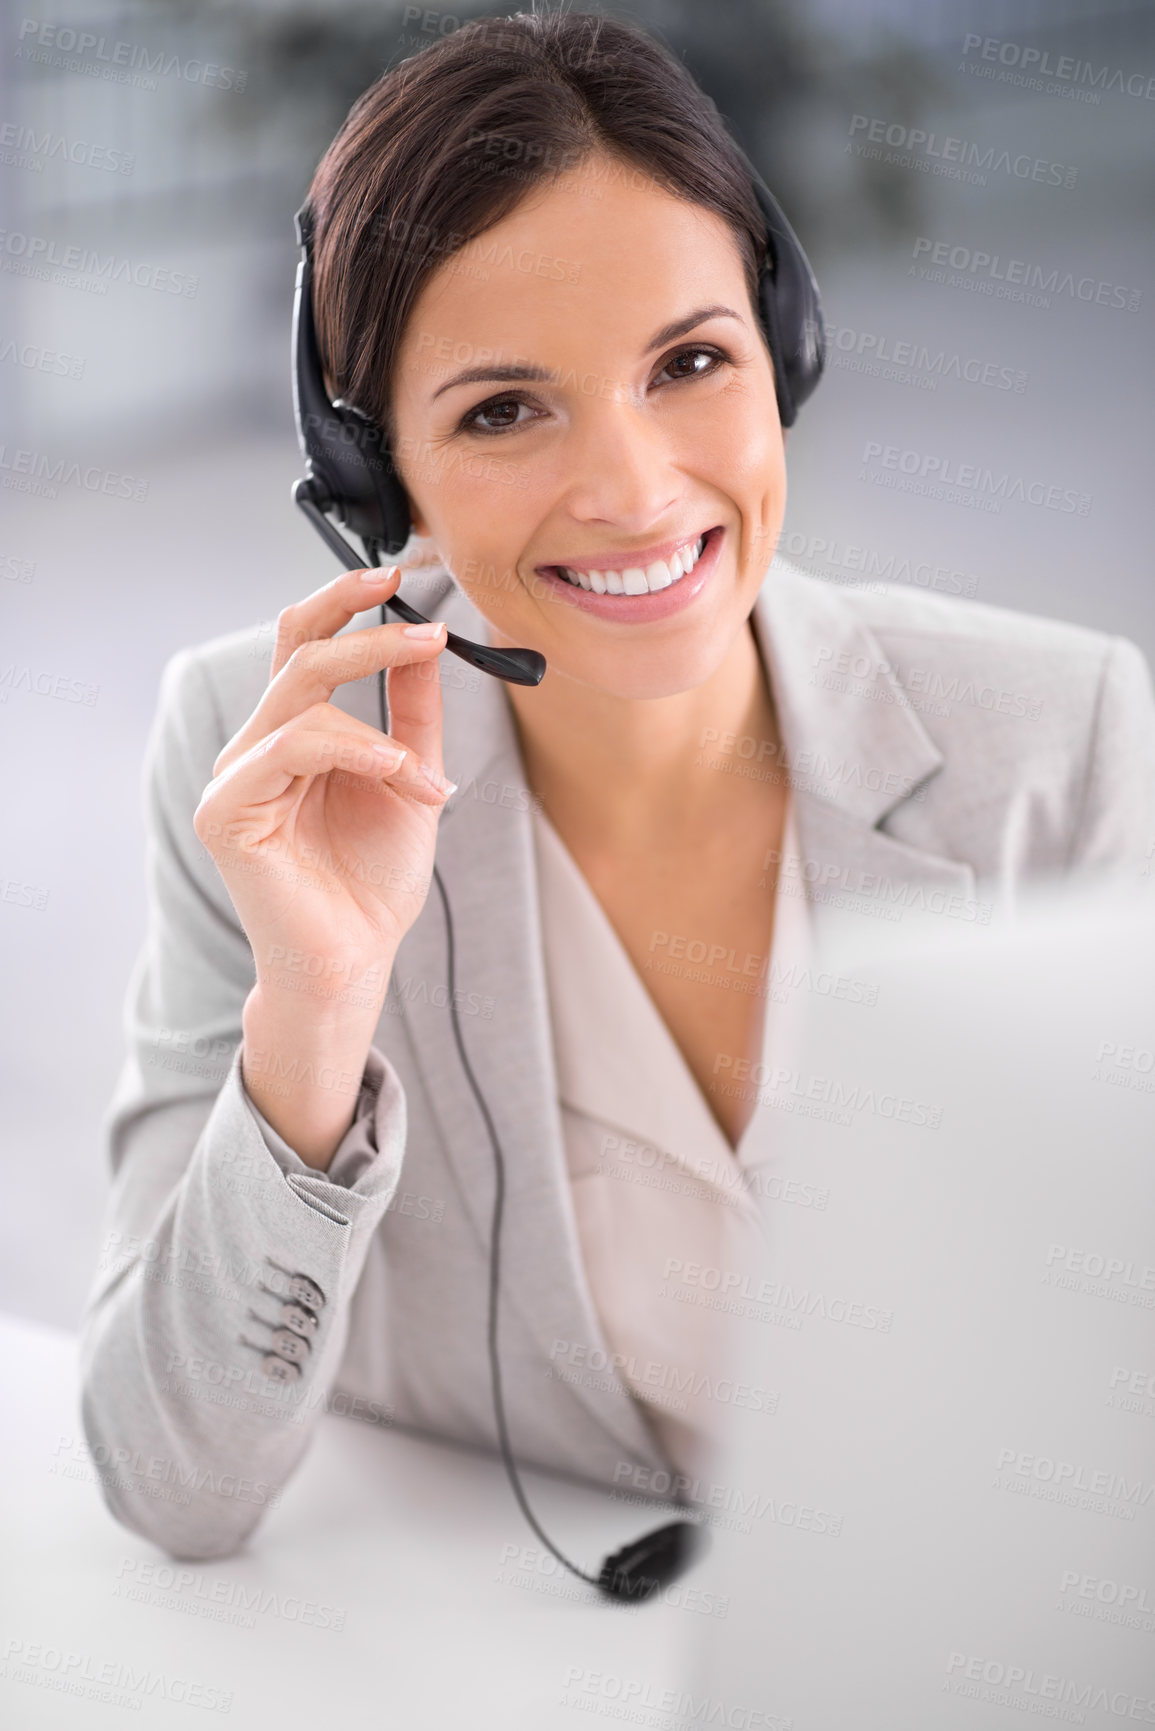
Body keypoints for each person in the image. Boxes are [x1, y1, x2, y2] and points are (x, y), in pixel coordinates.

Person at [80, 10, 1155, 1562]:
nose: (634, 489)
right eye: (503, 409)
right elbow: (168, 1480)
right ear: (379, 482)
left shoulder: (1057, 746)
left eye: (692, 362)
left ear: (784, 354)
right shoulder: (250, 757)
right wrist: (314, 1015)